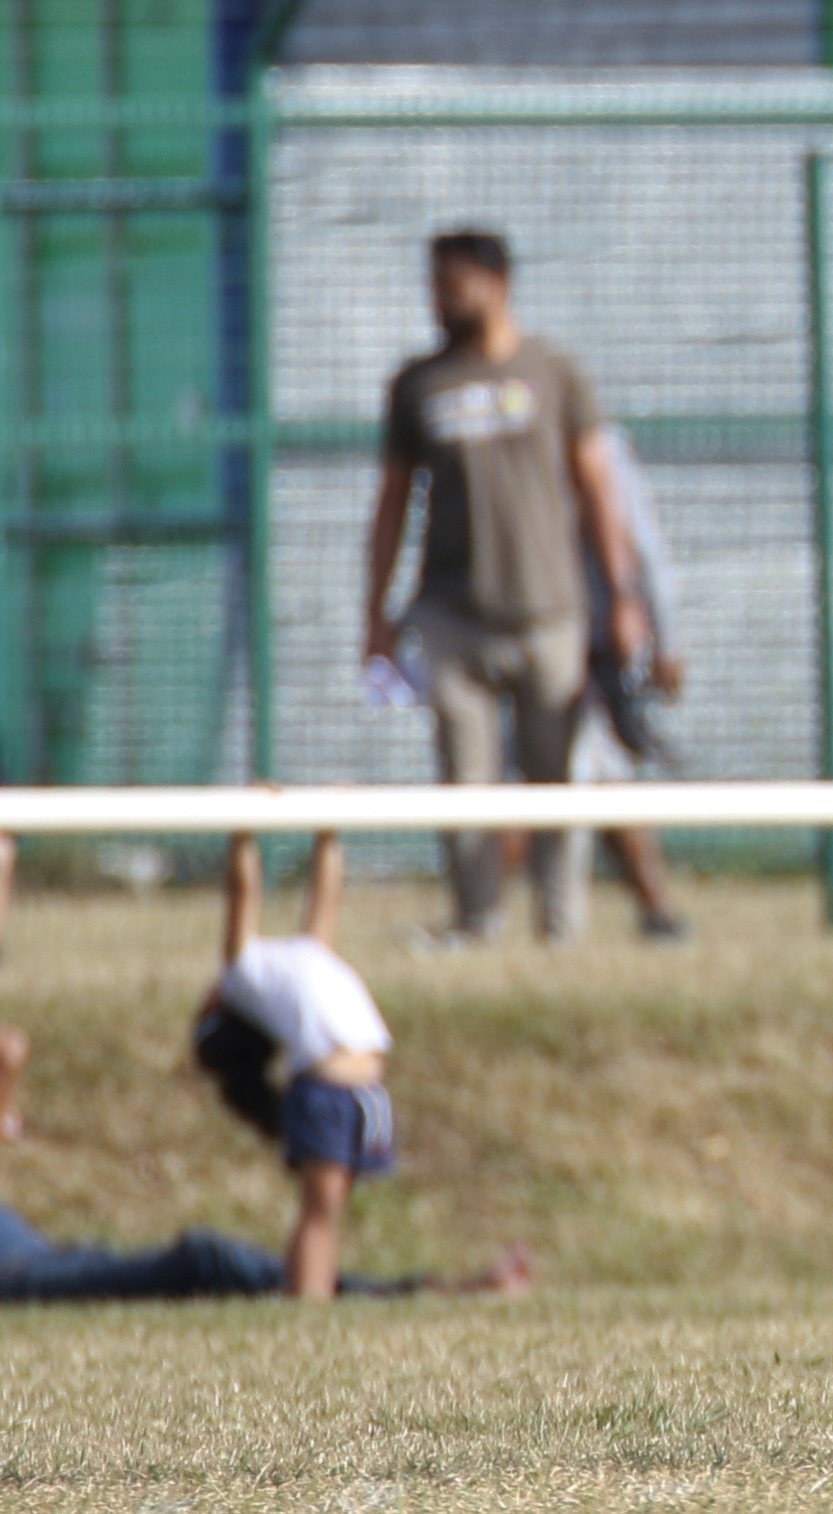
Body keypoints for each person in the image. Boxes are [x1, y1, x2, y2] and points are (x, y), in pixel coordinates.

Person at [362, 231, 649, 944]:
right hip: (452, 616)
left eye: (454, 284)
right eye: (435, 285)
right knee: (466, 781)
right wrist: (376, 612)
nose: (441, 299)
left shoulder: (553, 372)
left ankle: (561, 929)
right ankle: (476, 923)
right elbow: (393, 501)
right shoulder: (418, 384)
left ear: (498, 285)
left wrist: (624, 598)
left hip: (550, 611)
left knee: (558, 778)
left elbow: (598, 488)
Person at [177, 832, 531, 1300]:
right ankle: (308, 1301)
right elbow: (244, 891)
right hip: (328, 1093)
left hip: (364, 1092)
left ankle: (317, 1294)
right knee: (321, 1210)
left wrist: (329, 832)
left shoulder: (302, 954)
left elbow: (325, 893)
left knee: (329, 1210)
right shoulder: (243, 970)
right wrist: (245, 833)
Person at [573, 430, 693, 942]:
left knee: (603, 772)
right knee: (599, 774)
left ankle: (656, 909)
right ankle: (655, 910)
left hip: (596, 647)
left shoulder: (602, 449)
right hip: (539, 639)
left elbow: (644, 547)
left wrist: (666, 640)